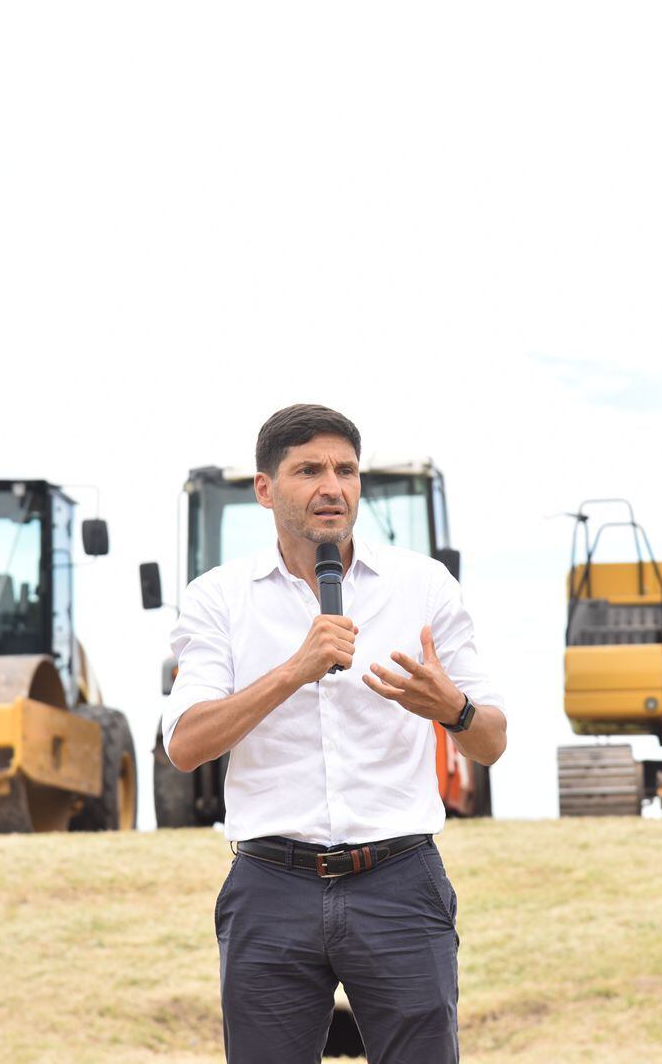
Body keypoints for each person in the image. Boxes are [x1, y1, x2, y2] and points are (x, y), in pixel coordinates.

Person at [162, 403, 507, 1064]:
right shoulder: (217, 598)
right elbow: (184, 744)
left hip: (400, 881)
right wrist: (294, 669)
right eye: (309, 470)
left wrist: (453, 708)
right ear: (265, 490)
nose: (333, 486)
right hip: (270, 886)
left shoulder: (423, 586)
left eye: (346, 470)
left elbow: (491, 741)